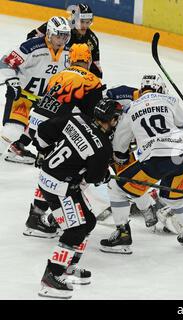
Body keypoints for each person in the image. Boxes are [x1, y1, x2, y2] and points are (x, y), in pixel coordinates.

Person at [99, 73, 183, 253]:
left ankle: (123, 236)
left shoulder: (131, 109)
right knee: (173, 198)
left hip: (155, 161)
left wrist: (133, 146)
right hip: (178, 158)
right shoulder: (170, 100)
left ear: (142, 90)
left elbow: (119, 147)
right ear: (160, 88)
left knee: (115, 188)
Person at [33, 98, 122, 299]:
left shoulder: (78, 119)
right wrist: (104, 174)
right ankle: (51, 277)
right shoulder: (103, 147)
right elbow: (93, 178)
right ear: (111, 119)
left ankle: (68, 269)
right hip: (61, 188)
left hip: (50, 178)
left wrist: (45, 152)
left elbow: (45, 130)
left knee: (88, 222)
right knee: (75, 229)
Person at [23, 43, 104, 238]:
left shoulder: (58, 75)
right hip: (56, 129)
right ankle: (50, 216)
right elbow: (93, 116)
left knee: (51, 169)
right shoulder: (93, 81)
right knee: (68, 170)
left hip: (36, 126)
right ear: (89, 60)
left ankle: (39, 215)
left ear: (70, 59)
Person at [0, 16, 71, 164]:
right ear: (49, 34)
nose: (62, 40)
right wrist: (12, 81)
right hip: (23, 95)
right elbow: (6, 63)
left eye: (65, 36)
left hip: (45, 99)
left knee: (43, 126)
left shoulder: (68, 53)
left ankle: (17, 149)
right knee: (13, 130)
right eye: (59, 35)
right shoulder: (31, 47)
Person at [27, 3, 102, 79]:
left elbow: (96, 69)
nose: (85, 26)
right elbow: (32, 37)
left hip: (68, 79)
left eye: (88, 22)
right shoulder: (58, 25)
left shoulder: (92, 40)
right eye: (82, 22)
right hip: (42, 71)